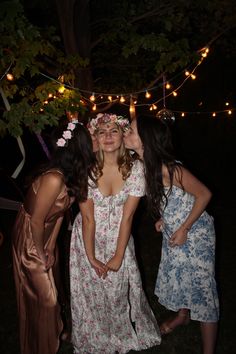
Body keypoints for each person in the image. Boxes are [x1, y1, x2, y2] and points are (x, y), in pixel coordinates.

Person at [124, 115, 219, 354]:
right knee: (181, 278)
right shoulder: (146, 165)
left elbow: (204, 194)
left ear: (145, 139)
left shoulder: (170, 168)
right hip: (175, 231)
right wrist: (163, 219)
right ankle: (182, 316)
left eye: (131, 130)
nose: (126, 132)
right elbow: (175, 198)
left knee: (202, 290)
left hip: (195, 235)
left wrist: (184, 228)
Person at [69, 113, 161, 354]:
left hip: (119, 236)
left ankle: (118, 334)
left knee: (118, 291)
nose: (108, 136)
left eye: (114, 131)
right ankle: (93, 337)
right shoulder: (86, 169)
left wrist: (119, 255)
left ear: (123, 136)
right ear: (96, 138)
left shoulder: (136, 169)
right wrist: (90, 257)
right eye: (102, 131)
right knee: (90, 291)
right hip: (87, 238)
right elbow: (88, 218)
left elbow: (128, 217)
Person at [12, 121, 97, 354]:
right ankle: (38, 346)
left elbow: (60, 214)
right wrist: (40, 253)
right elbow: (36, 221)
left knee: (53, 290)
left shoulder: (73, 176)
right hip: (31, 235)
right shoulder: (54, 178)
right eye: (89, 141)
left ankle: (51, 336)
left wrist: (50, 246)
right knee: (46, 299)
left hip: (46, 236)